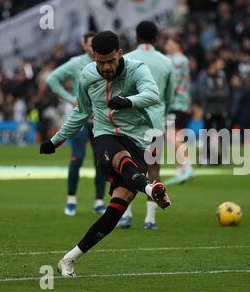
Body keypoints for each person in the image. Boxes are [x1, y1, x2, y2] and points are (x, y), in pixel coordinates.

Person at [40, 31, 171, 277]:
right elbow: (81, 112)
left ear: (119, 54)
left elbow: (153, 94)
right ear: (94, 58)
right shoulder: (88, 75)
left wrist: (127, 101)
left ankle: (69, 258)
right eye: (100, 62)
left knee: (114, 213)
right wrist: (55, 141)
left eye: (110, 60)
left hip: (137, 139)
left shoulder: (137, 69)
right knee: (120, 157)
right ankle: (149, 189)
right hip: (105, 135)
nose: (105, 67)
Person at [117, 21, 175, 230]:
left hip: (131, 125)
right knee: (154, 169)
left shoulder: (127, 59)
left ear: (137, 36)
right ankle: (150, 220)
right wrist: (160, 112)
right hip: (156, 123)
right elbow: (168, 97)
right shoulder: (166, 62)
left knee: (127, 168)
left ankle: (126, 215)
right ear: (156, 37)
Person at [46, 32, 107, 216]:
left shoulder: (105, 62)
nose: (93, 46)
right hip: (81, 118)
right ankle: (71, 200)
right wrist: (70, 99)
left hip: (100, 119)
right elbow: (52, 79)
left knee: (102, 162)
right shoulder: (75, 63)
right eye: (90, 43)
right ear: (84, 46)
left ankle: (99, 201)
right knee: (77, 158)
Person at [162, 35, 196, 185]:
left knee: (171, 135)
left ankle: (187, 167)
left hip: (175, 103)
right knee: (178, 136)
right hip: (182, 104)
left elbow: (172, 83)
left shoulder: (177, 60)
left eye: (169, 43)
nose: (166, 45)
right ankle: (181, 170)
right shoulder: (180, 59)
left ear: (177, 45)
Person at [196, 57, 230, 165]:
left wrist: (215, 94)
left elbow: (226, 92)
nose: (222, 65)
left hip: (221, 110)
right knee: (206, 135)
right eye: (219, 62)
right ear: (213, 64)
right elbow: (204, 93)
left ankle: (223, 157)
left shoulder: (222, 75)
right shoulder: (204, 76)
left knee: (223, 134)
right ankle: (205, 157)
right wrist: (219, 94)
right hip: (208, 110)